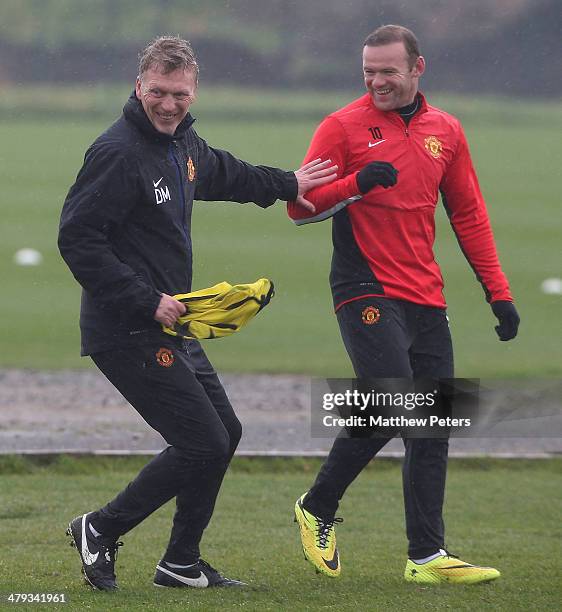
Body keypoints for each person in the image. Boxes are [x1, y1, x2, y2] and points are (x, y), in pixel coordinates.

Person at [58, 35, 336, 591]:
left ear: (193, 91)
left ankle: (180, 562)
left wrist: (289, 184)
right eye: (158, 91)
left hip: (171, 325)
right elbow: (78, 239)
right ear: (139, 87)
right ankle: (100, 527)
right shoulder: (117, 153)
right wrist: (145, 298)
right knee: (202, 441)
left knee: (224, 432)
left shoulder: (181, 145)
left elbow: (224, 173)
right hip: (127, 327)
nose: (168, 103)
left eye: (179, 93)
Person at [288, 25, 520, 585]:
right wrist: (356, 184)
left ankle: (427, 558)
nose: (376, 81)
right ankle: (318, 506)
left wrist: (499, 291)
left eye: (387, 71)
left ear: (418, 68)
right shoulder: (341, 127)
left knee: (433, 423)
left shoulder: (448, 130)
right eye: (368, 71)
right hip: (364, 287)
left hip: (426, 296)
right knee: (392, 400)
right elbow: (299, 208)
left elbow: (469, 215)